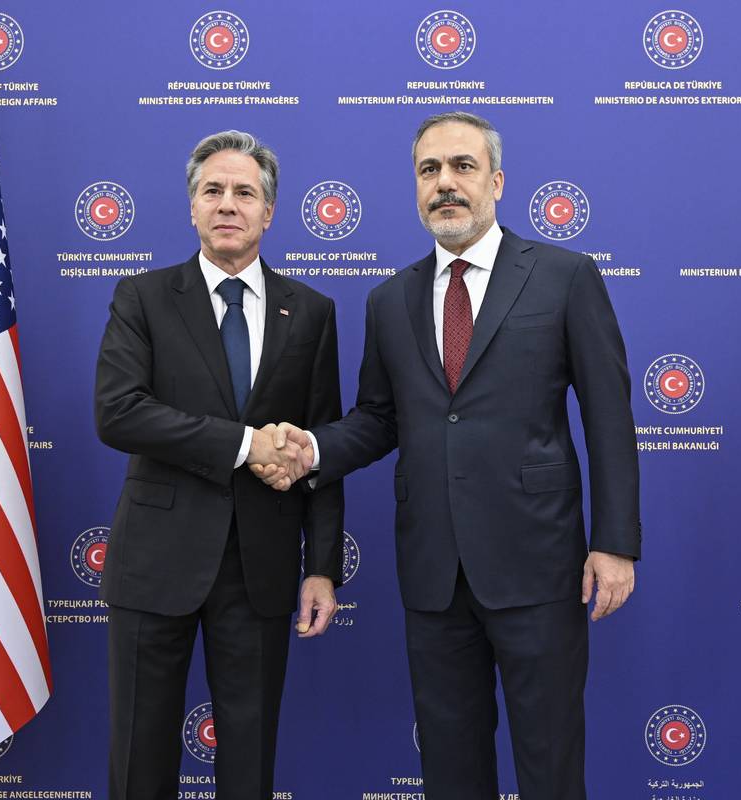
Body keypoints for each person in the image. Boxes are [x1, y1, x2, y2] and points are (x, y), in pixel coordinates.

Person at [257, 111, 640, 800]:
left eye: (462, 166)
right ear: (415, 189)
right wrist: (311, 447)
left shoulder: (564, 276)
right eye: (429, 171)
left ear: (496, 180)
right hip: (434, 572)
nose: (446, 184)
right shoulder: (389, 299)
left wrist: (615, 542)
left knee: (550, 762)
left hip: (539, 563)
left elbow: (608, 416)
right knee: (450, 767)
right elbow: (378, 420)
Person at [94, 130, 344, 800]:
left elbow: (321, 450)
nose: (227, 204)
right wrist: (244, 444)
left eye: (244, 192)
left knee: (250, 761)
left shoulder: (312, 312)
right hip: (154, 564)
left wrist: (321, 564)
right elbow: (118, 412)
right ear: (192, 208)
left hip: (260, 568)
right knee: (138, 762)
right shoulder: (142, 296)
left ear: (269, 212)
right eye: (213, 191)